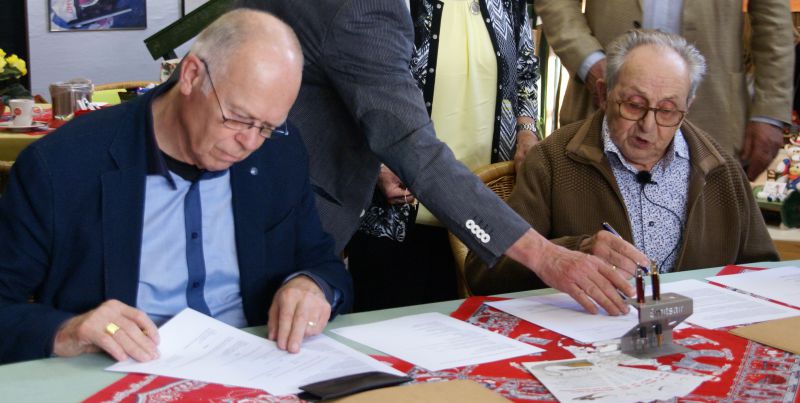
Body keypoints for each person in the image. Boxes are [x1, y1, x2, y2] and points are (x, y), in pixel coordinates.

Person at [237, 0, 641, 317]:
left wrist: (525, 126)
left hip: (259, 199)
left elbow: (521, 67)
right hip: (283, 214)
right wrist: (546, 256)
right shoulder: (365, 9)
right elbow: (413, 148)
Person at [0, 9, 353, 364]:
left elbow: (323, 264)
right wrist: (67, 331)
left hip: (256, 367)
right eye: (238, 118)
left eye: (267, 127)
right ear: (191, 75)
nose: (250, 143)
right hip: (120, 373)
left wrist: (312, 285)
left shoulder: (279, 153)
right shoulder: (62, 166)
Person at [465, 30, 779, 295]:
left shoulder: (720, 169)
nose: (648, 125)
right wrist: (575, 250)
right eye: (634, 105)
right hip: (582, 339)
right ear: (603, 94)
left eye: (667, 110)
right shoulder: (552, 161)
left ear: (688, 106)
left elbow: (764, 274)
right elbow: (484, 273)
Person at [346, 0, 541, 311]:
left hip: (483, 219)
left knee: (479, 340)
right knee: (393, 338)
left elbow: (526, 74)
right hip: (398, 214)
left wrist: (527, 131)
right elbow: (349, 84)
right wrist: (376, 163)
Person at [535, 0, 794, 181]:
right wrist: (589, 62)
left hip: (713, 108)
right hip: (605, 103)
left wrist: (768, 115)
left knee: (708, 240)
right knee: (590, 236)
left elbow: (773, 20)